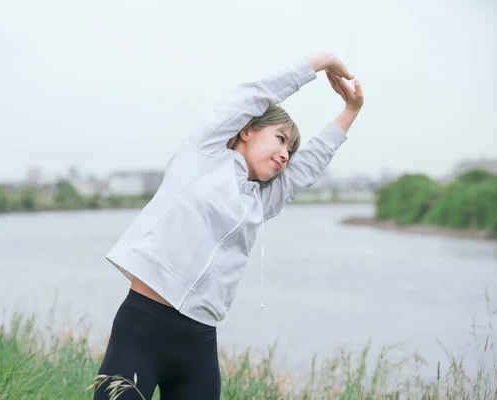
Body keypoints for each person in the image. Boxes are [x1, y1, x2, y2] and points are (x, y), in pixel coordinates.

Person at [93, 52, 364, 400]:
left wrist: (350, 110)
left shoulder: (260, 201)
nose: (285, 154)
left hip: (198, 345)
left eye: (290, 150)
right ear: (247, 129)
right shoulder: (201, 155)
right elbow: (255, 93)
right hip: (142, 328)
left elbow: (309, 166)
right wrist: (319, 62)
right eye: (280, 139)